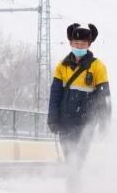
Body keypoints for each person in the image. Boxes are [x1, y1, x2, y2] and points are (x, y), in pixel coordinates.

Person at [47, 23, 111, 175]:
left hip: (86, 121)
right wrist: (52, 119)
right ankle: (74, 183)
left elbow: (104, 97)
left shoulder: (98, 67)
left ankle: (74, 185)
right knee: (69, 155)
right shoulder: (62, 66)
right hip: (65, 120)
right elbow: (55, 95)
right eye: (76, 43)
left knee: (79, 155)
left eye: (83, 44)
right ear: (70, 43)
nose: (79, 46)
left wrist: (104, 121)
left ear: (89, 44)